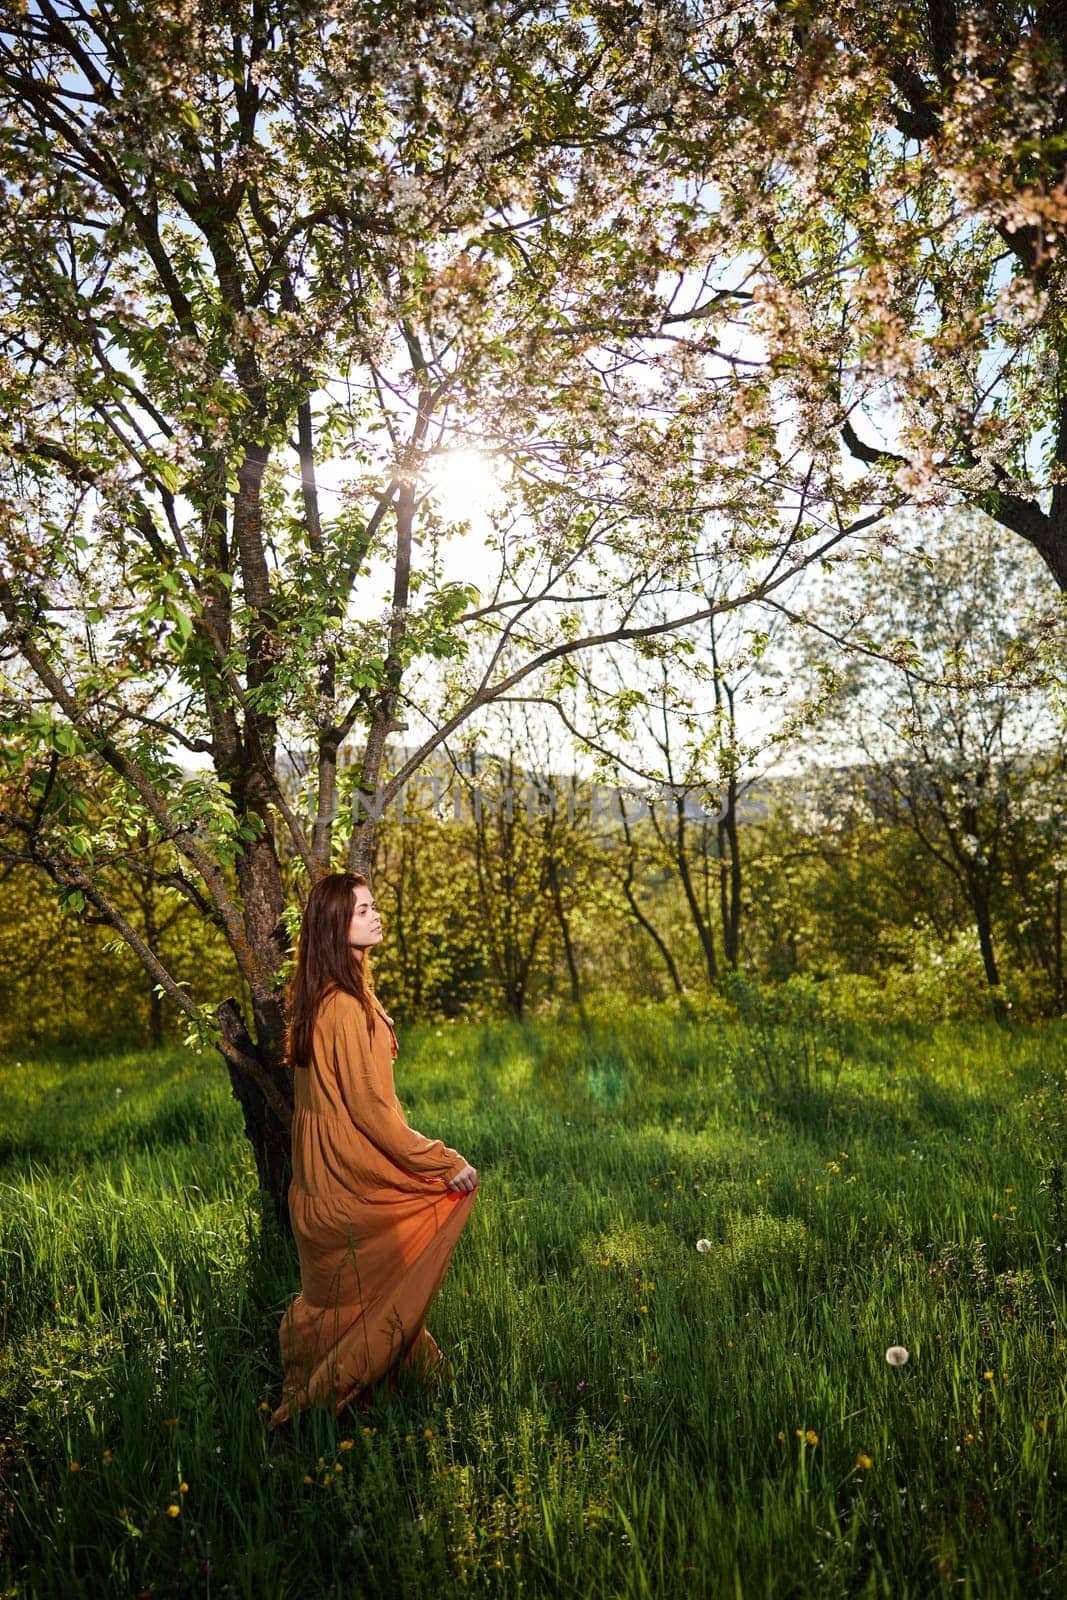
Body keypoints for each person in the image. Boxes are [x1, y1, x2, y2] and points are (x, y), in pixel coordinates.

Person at [269, 871, 478, 1429]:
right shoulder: (345, 1007)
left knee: (360, 1298)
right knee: (377, 1293)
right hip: (347, 1183)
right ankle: (310, 1411)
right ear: (336, 927)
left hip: (320, 1182)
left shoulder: (324, 996)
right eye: (363, 910)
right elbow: (369, 1110)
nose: (376, 914)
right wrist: (443, 1161)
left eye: (372, 905)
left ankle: (396, 1397)